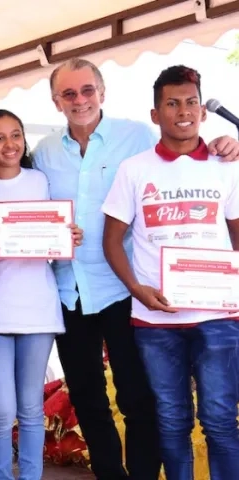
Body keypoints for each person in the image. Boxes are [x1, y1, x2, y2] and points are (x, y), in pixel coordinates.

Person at [32, 57, 239, 479]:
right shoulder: (44, 152)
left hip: (125, 291)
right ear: (56, 101)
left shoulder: (137, 137)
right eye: (68, 93)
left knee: (140, 400)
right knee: (89, 398)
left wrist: (226, 144)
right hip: (69, 289)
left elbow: (185, 148)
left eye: (87, 90)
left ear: (102, 93)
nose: (80, 100)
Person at [102, 65, 239, 480]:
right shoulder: (134, 169)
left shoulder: (225, 164)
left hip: (217, 318)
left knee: (219, 421)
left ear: (202, 110)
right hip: (156, 320)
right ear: (155, 113)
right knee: (172, 422)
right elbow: (111, 241)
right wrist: (137, 289)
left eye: (192, 102)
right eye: (172, 103)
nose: (184, 111)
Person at [0, 109, 82, 480]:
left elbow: (56, 230)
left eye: (16, 135)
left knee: (31, 409)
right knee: (2, 410)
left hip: (37, 306)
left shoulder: (41, 180)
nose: (10, 144)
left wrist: (68, 237)